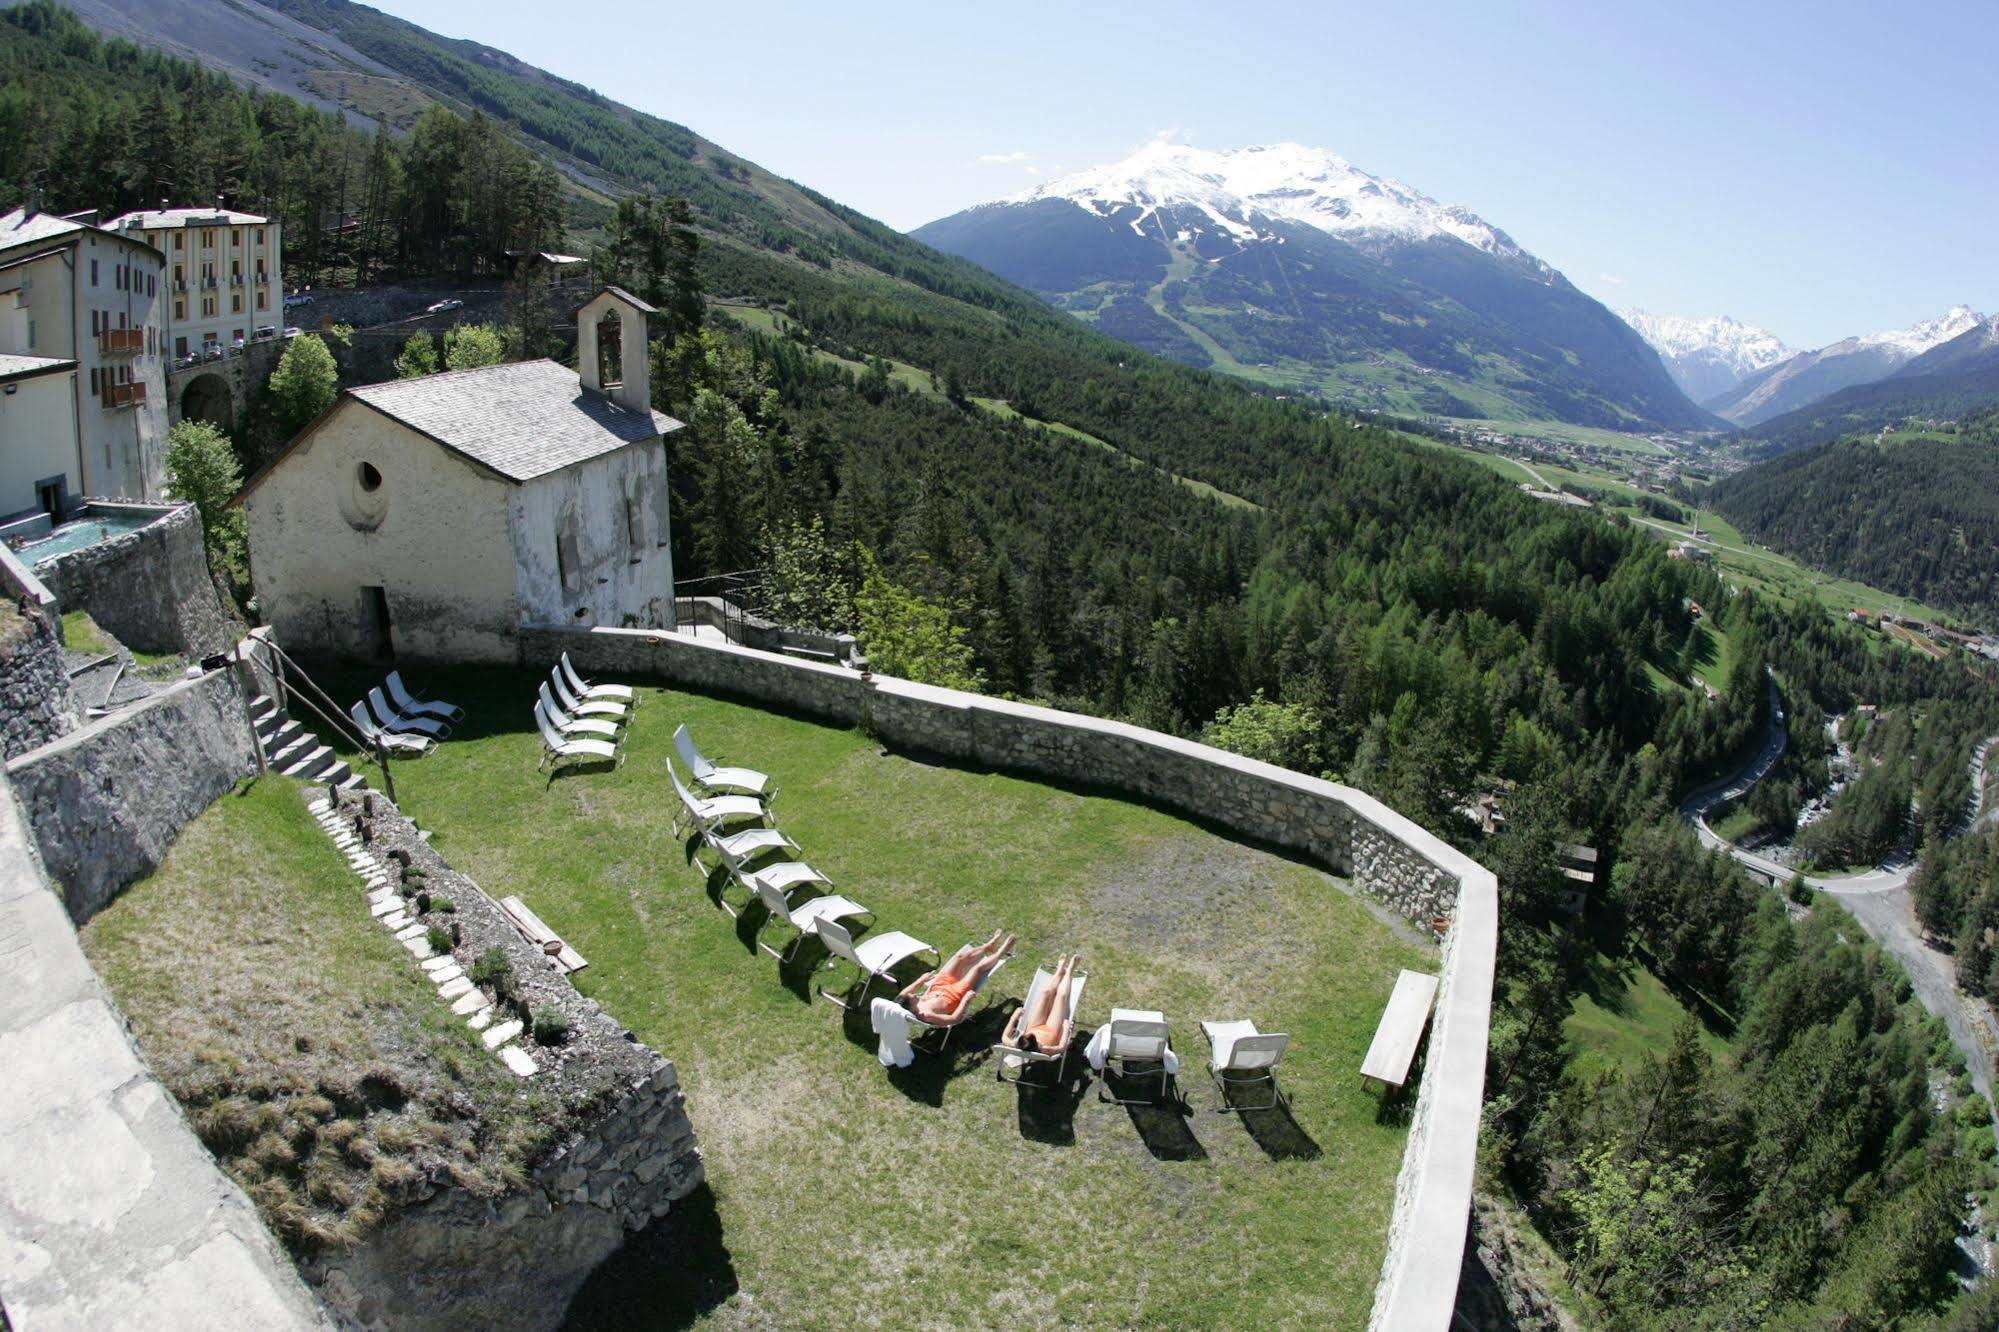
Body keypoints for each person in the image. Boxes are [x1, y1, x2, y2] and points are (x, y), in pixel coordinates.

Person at [895, 930, 1014, 1026]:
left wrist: (921, 980)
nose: (915, 994)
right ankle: (1001, 952)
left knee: (960, 957)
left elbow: (903, 993)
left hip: (939, 986)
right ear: (910, 1007)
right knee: (977, 969)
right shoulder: (926, 1015)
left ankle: (988, 946)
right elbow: (953, 1019)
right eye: (913, 997)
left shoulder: (903, 1001)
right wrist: (966, 1001)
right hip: (954, 995)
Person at [1002, 953, 1081, 1053]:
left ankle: (1059, 970)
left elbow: (1004, 1038)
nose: (1025, 1034)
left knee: (1045, 993)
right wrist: (1065, 1029)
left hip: (1035, 1026)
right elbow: (1062, 1047)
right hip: (1051, 1030)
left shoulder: (1017, 1044)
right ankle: (1069, 971)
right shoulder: (1044, 1049)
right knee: (1060, 997)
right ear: (1036, 1043)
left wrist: (1014, 1017)